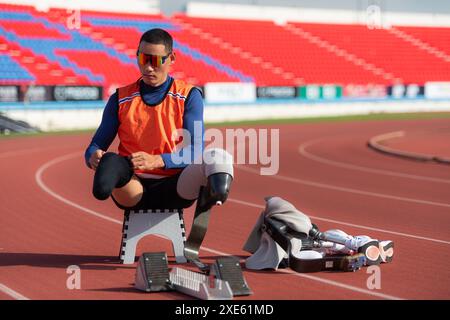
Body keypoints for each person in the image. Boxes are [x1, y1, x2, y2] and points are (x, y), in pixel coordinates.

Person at [84, 28, 234, 244]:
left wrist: (158, 160)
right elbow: (96, 144)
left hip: (176, 186)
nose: (148, 67)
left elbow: (195, 149)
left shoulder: (188, 96)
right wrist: (92, 156)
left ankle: (216, 198)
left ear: (171, 58)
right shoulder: (120, 98)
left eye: (155, 60)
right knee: (110, 161)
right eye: (143, 59)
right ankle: (109, 172)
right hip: (133, 187)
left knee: (216, 155)